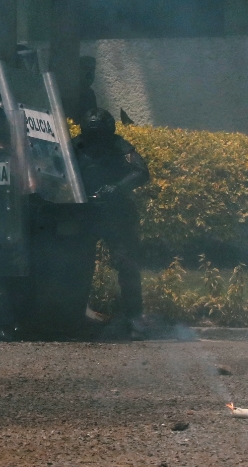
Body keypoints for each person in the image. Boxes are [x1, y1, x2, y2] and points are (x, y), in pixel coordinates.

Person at [73, 108, 150, 339]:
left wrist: (118, 188)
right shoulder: (74, 146)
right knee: (78, 265)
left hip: (117, 214)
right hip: (84, 212)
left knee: (127, 264)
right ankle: (75, 316)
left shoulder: (120, 146)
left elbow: (141, 172)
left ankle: (134, 317)